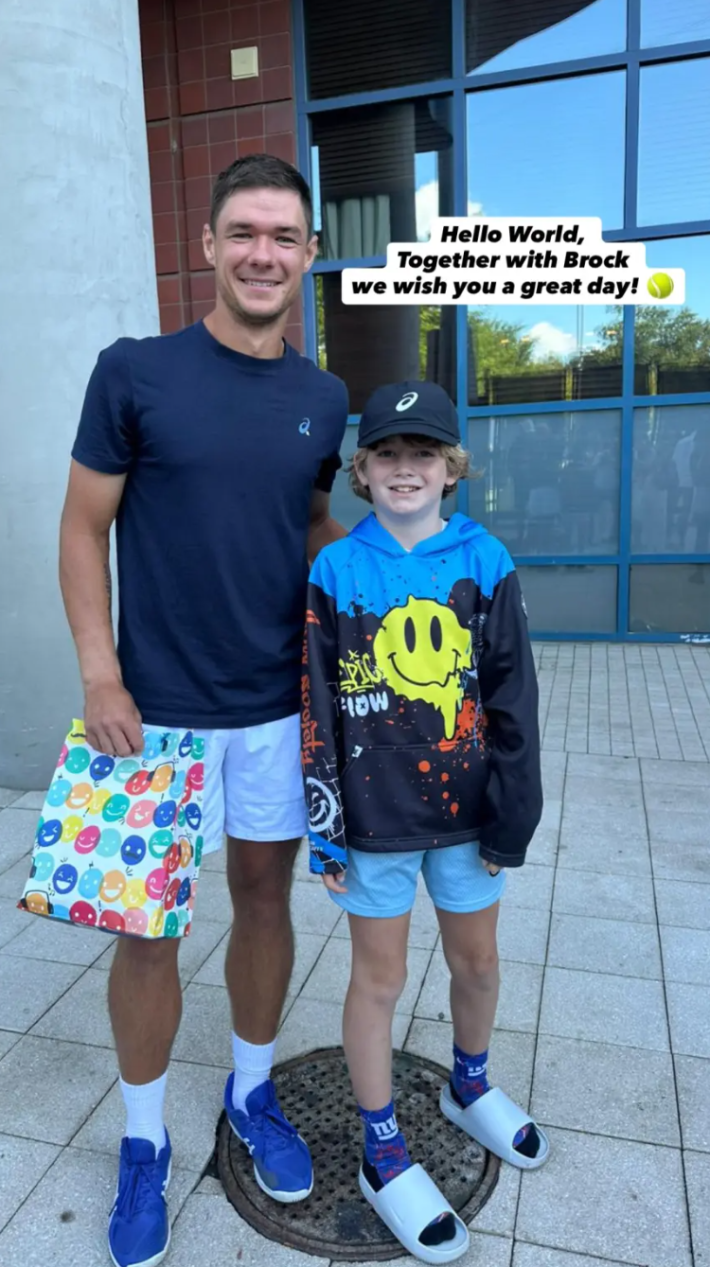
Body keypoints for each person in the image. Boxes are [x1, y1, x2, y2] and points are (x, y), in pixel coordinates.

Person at [59, 154, 348, 1267]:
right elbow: (83, 528)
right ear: (209, 245)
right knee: (148, 928)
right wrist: (98, 670)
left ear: (308, 254)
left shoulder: (322, 398)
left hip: (278, 708)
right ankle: (142, 1143)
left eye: (282, 235)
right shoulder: (134, 372)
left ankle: (249, 1091)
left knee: (265, 898)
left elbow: (307, 524)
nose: (262, 253)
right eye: (243, 232)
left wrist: (398, 577)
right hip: (153, 711)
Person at [301, 381, 547, 1264]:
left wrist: (514, 812)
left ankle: (469, 1086)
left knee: (477, 959)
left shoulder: (486, 559)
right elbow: (317, 701)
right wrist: (324, 821)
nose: (406, 468)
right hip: (374, 822)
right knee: (380, 979)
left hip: (468, 814)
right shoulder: (336, 569)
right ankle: (382, 1146)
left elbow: (513, 694)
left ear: (452, 468)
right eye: (388, 454)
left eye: (424, 453)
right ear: (362, 470)